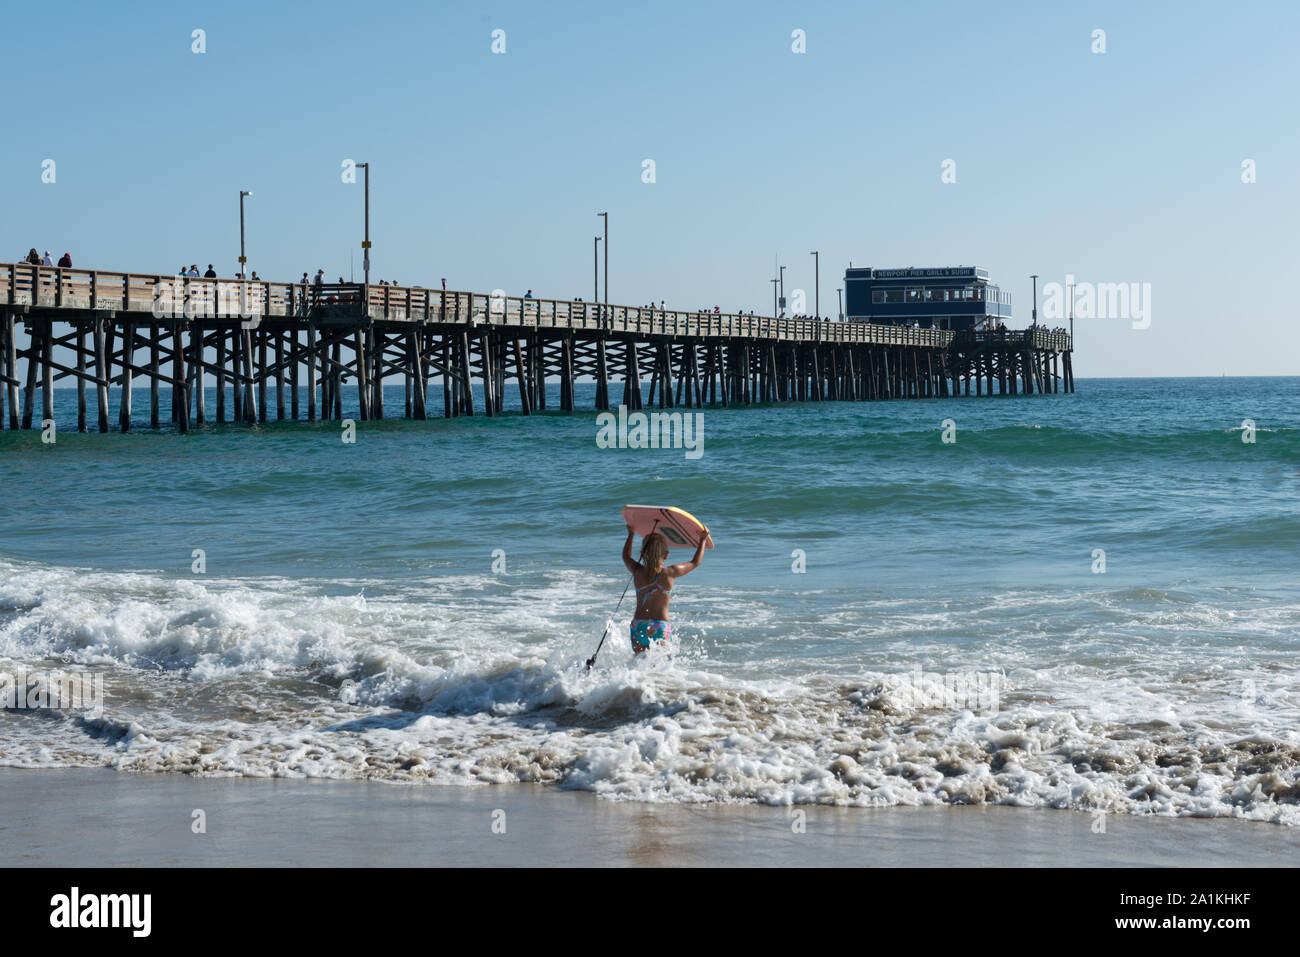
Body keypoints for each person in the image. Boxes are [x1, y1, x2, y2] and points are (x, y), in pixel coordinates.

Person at [621, 523, 708, 653]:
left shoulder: (637, 571)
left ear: (642, 553)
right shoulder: (670, 572)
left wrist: (631, 534)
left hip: (639, 625)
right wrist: (703, 540)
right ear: (666, 555)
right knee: (661, 668)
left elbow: (626, 556)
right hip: (659, 627)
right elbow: (695, 562)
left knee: (637, 663)